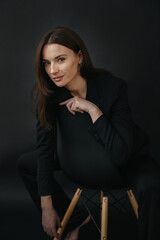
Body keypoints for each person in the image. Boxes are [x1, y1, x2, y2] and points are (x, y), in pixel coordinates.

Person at [17, 26, 160, 240]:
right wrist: (47, 208)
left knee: (153, 185)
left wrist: (93, 110)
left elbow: (121, 154)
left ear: (79, 57)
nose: (53, 70)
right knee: (27, 163)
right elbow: (45, 151)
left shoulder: (112, 87)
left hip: (125, 160)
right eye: (47, 63)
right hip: (80, 159)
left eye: (60, 59)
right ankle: (75, 218)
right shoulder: (49, 96)